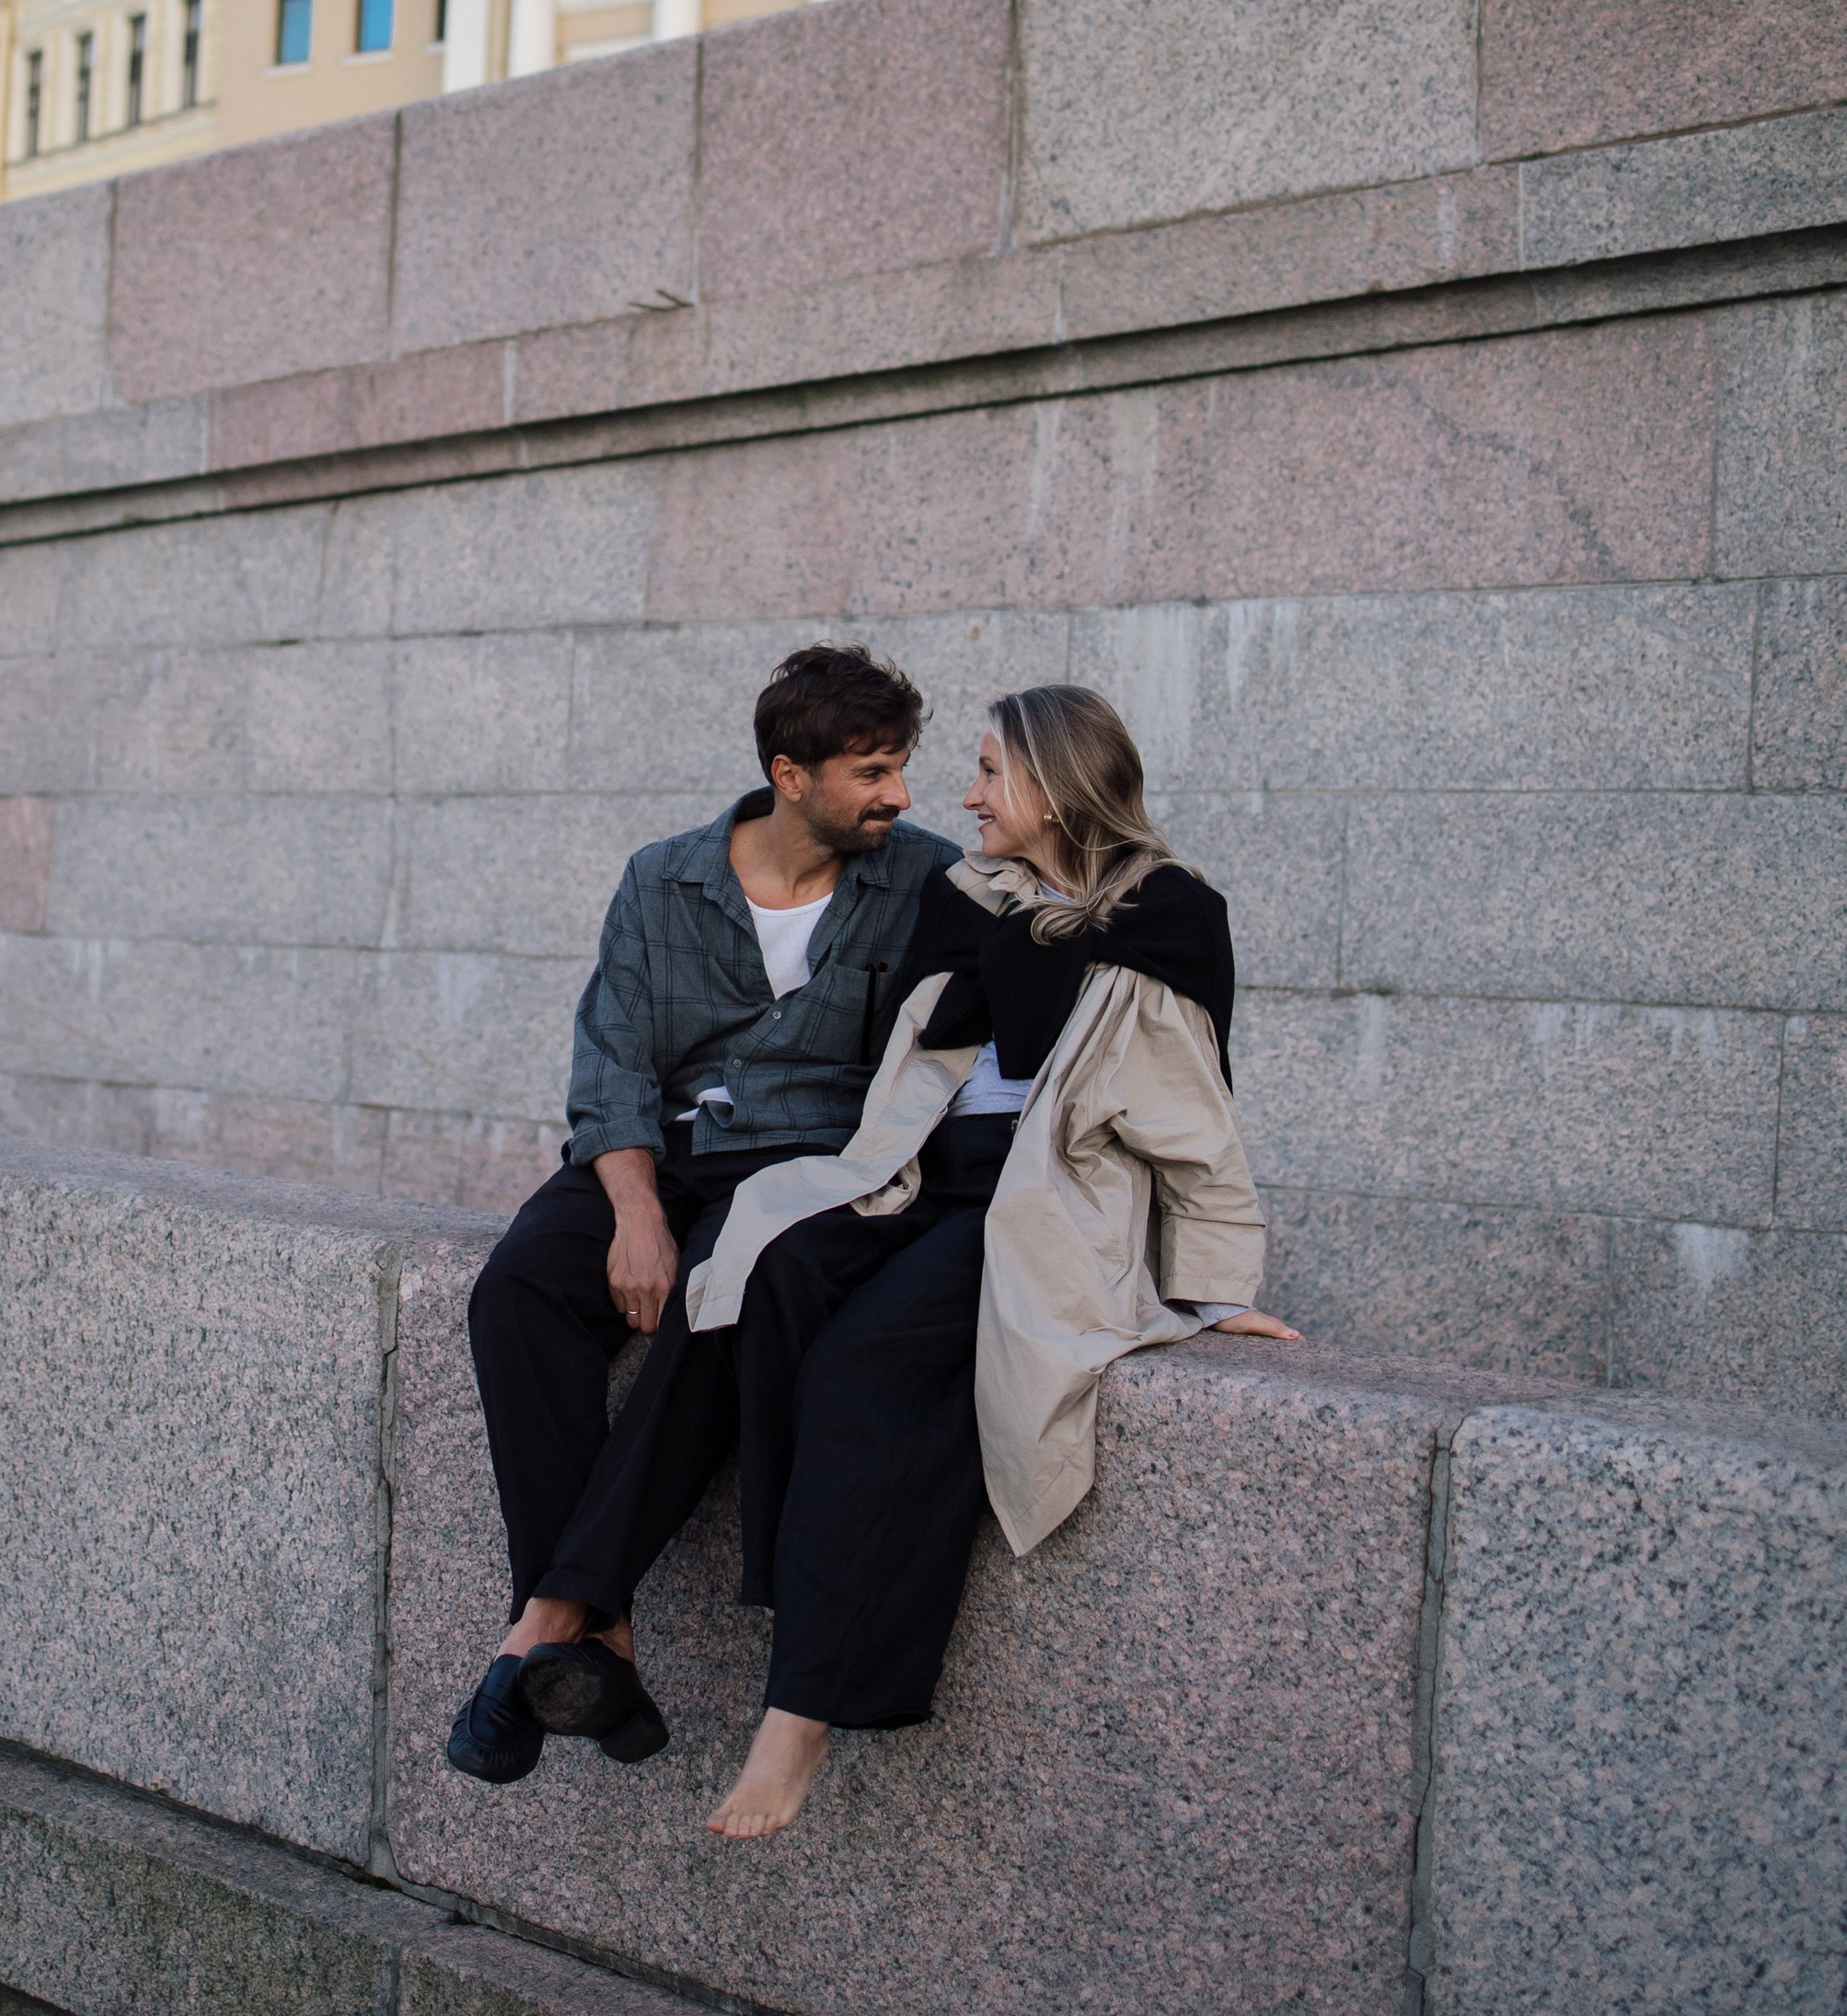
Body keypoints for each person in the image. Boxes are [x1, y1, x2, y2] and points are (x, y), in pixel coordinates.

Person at [687, 684, 1299, 1842]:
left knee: (866, 1371)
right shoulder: (973, 897)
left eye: (987, 773)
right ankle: (794, 1579)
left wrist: (1217, 1288)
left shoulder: (1168, 915)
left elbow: (1197, 1117)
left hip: (1042, 1202)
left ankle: (801, 1714)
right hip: (924, 1171)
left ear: (1055, 786)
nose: (962, 795)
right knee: (768, 1269)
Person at [445, 643, 959, 1785]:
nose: (900, 795)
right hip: (663, 1152)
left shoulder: (927, 880)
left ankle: (545, 1627)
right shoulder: (662, 879)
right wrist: (632, 1212)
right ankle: (604, 1630)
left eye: (901, 768)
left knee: (718, 1304)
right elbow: (612, 1063)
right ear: (791, 773)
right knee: (521, 1289)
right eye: (873, 771)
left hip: (809, 1173)